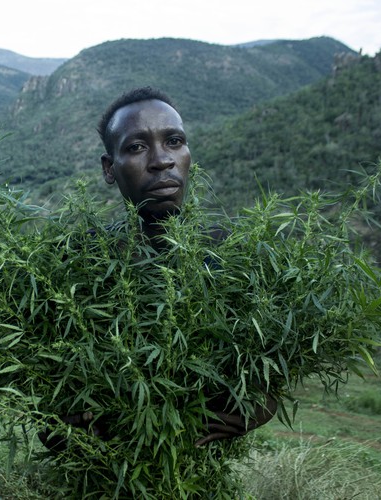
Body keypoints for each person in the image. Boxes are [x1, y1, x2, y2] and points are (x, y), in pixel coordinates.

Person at [39, 87, 276, 450]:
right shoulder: (76, 261)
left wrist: (263, 403)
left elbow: (273, 359)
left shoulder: (236, 254)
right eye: (136, 147)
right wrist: (63, 424)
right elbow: (42, 392)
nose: (162, 160)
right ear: (109, 168)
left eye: (174, 141)